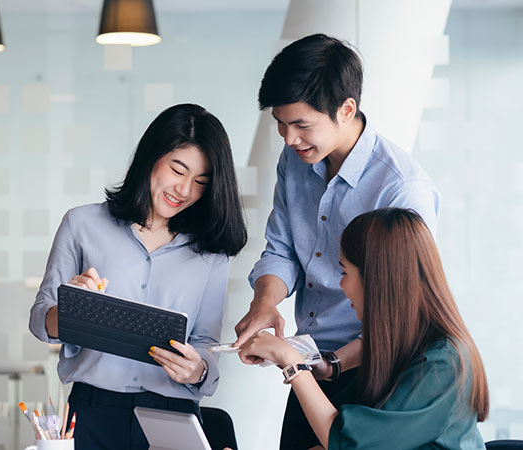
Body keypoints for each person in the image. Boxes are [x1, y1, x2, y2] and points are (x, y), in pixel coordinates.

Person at [233, 34, 441, 449]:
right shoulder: (295, 161)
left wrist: (323, 364)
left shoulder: (401, 187)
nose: (289, 139)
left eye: (301, 125)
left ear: (346, 110)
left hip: (377, 373)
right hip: (309, 364)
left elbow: (407, 315)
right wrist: (265, 303)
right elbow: (282, 249)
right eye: (281, 124)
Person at [29, 103, 247, 450]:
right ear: (151, 157)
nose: (185, 190)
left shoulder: (211, 252)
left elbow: (206, 342)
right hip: (92, 410)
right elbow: (42, 321)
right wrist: (72, 311)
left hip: (173, 414)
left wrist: (198, 371)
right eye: (178, 170)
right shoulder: (82, 225)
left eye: (200, 182)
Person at [239, 208, 489, 450]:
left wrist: (292, 363)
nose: (342, 286)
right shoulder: (405, 345)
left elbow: (348, 442)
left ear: (377, 279)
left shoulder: (441, 363)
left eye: (345, 272)